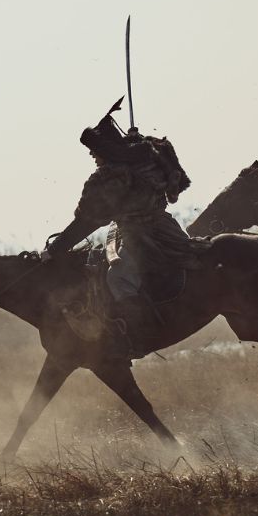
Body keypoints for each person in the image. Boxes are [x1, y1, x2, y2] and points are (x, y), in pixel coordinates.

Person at [43, 99, 209, 351]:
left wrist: (56, 249)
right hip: (164, 226)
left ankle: (137, 337)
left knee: (119, 278)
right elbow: (175, 179)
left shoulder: (113, 176)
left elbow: (87, 221)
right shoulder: (152, 157)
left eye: (96, 150)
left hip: (140, 235)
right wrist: (138, 146)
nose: (93, 155)